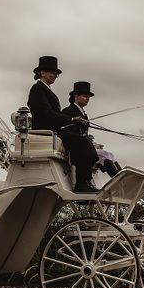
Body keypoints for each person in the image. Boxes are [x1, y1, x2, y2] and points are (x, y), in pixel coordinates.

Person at [27, 56, 100, 193]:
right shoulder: (37, 89)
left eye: (56, 74)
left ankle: (85, 180)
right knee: (82, 141)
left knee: (85, 141)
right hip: (45, 130)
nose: (55, 76)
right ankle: (81, 183)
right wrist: (71, 120)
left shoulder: (47, 90)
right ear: (42, 73)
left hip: (54, 130)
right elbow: (47, 114)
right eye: (52, 73)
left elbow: (54, 115)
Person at [62, 81, 122, 178]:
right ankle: (119, 178)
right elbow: (68, 132)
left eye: (88, 97)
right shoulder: (68, 111)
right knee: (104, 154)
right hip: (76, 148)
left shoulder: (84, 114)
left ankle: (121, 175)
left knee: (110, 154)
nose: (87, 99)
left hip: (84, 145)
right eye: (85, 96)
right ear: (76, 96)